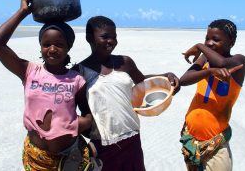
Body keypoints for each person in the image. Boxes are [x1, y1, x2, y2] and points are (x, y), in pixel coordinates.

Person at [0, 0, 94, 171]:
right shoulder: (29, 71)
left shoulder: (76, 79)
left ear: (68, 47)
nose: (52, 49)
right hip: (35, 158)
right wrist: (23, 12)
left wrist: (76, 124)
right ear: (40, 46)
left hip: (69, 157)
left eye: (59, 44)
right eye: (46, 44)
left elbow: (88, 114)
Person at [73, 15, 180, 171]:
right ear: (89, 38)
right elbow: (70, 111)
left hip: (132, 138)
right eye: (105, 36)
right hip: (103, 143)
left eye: (114, 37)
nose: (111, 41)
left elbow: (143, 82)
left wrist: (166, 76)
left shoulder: (125, 62)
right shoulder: (79, 72)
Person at [179, 19, 245, 171]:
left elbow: (222, 63)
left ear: (232, 42)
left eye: (216, 40)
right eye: (206, 39)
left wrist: (199, 46)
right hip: (191, 139)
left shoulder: (238, 61)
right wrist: (208, 71)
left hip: (215, 145)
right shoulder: (205, 60)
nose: (209, 43)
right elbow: (183, 80)